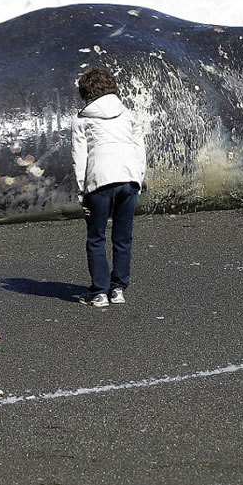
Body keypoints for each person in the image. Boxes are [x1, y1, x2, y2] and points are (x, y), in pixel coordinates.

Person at [72, 67, 146, 307]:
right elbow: (139, 149)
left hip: (100, 181)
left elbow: (79, 157)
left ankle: (99, 292)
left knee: (96, 237)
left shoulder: (81, 119)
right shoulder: (128, 115)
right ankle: (118, 289)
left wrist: (83, 192)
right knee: (123, 238)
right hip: (129, 180)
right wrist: (138, 180)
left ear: (86, 93)